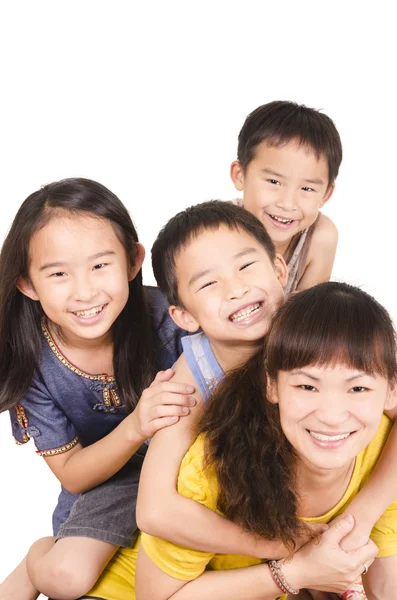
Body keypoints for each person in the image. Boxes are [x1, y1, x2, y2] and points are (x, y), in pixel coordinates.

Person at [83, 205, 397, 599]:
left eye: (246, 267)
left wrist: (360, 517)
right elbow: (155, 512)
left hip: (259, 530)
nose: (236, 289)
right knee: (70, 570)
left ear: (280, 272)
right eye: (208, 283)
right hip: (177, 546)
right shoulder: (190, 384)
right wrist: (278, 547)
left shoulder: (316, 339)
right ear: (182, 315)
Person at [0, 178, 195, 600]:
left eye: (100, 266)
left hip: (190, 465)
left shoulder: (173, 315)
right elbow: (72, 474)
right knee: (66, 578)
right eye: (58, 274)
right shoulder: (30, 360)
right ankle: (37, 560)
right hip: (109, 481)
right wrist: (135, 427)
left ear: (132, 261)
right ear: (27, 284)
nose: (85, 291)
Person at [231, 100, 341, 293]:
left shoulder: (320, 236)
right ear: (240, 175)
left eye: (306, 189)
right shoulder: (217, 231)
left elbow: (306, 316)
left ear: (326, 194)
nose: (287, 204)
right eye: (274, 182)